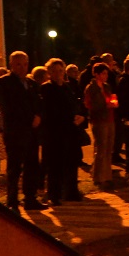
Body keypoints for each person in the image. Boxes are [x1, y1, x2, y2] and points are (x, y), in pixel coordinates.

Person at [0, 50, 45, 211]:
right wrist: (30, 117)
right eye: (18, 64)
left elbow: (39, 102)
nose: (22, 67)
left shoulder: (31, 83)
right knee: (15, 167)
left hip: (31, 132)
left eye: (25, 64)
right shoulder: (4, 83)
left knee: (32, 165)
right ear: (11, 65)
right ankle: (12, 201)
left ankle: (30, 198)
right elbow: (9, 106)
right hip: (16, 131)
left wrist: (38, 115)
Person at [39, 58, 87, 204]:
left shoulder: (67, 87)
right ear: (49, 73)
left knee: (72, 162)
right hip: (55, 133)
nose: (58, 74)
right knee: (56, 165)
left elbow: (76, 105)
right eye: (54, 71)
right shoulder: (46, 89)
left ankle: (71, 192)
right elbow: (49, 111)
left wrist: (80, 116)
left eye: (60, 71)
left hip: (71, 131)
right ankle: (55, 194)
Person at [84, 62, 117, 189]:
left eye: (106, 73)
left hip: (110, 118)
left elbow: (111, 98)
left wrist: (113, 103)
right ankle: (98, 176)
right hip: (99, 120)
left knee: (109, 148)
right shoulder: (91, 88)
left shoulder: (106, 86)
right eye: (103, 73)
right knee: (101, 148)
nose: (105, 76)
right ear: (96, 74)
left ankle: (107, 176)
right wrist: (104, 105)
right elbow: (89, 104)